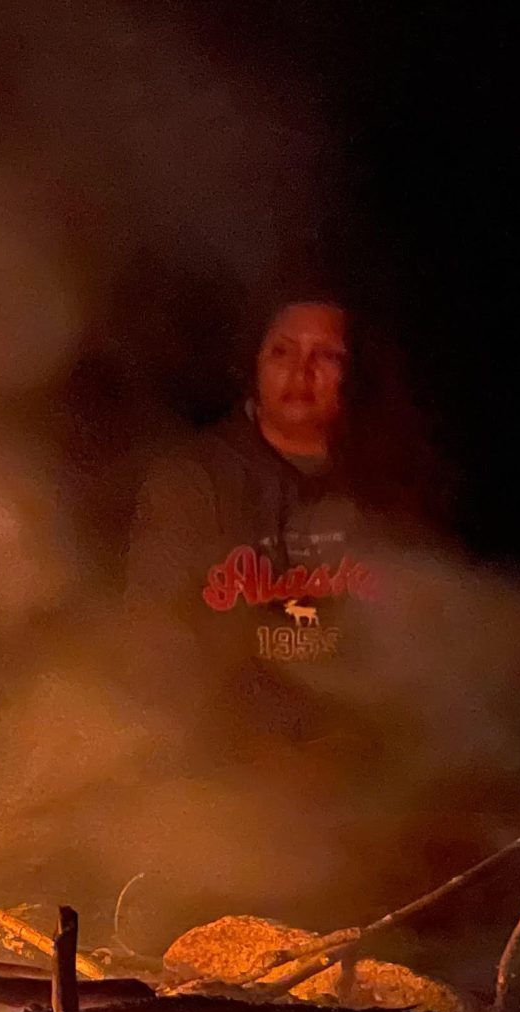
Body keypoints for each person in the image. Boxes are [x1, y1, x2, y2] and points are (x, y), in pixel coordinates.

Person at [124, 292, 394, 752]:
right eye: (281, 351)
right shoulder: (194, 481)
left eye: (325, 355)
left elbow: (421, 650)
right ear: (254, 366)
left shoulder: (390, 485)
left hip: (361, 765)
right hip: (229, 765)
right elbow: (151, 634)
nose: (300, 371)